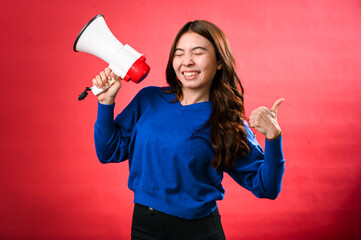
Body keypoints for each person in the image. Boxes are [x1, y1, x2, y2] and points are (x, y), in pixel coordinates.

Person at [92, 20, 285, 240]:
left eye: (198, 52)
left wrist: (273, 137)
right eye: (179, 53)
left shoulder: (226, 120)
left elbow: (267, 187)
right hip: (144, 227)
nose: (187, 62)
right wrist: (106, 104)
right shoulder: (148, 99)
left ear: (220, 61)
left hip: (197, 232)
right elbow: (107, 152)